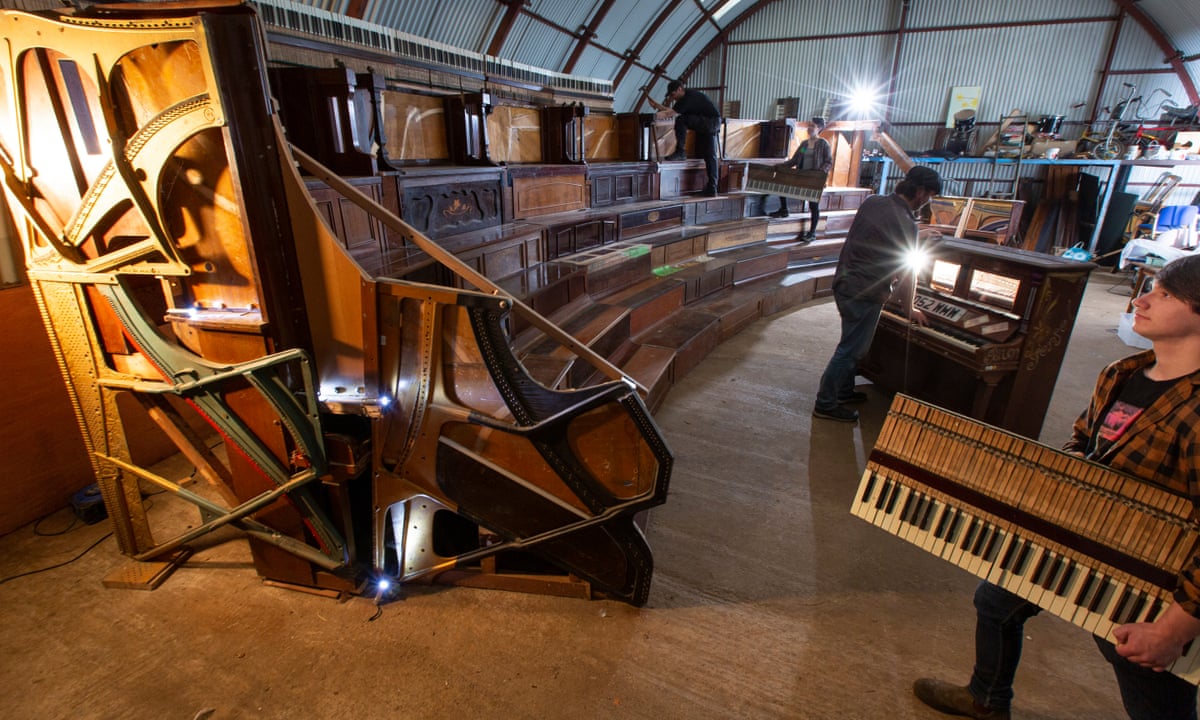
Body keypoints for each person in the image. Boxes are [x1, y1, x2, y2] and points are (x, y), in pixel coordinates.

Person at [913, 253, 1200, 720]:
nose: (1141, 300)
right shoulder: (1123, 373)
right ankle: (987, 700)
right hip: (1084, 528)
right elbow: (1084, 440)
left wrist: (1175, 627)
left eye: (1165, 294)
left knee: (1142, 674)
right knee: (997, 599)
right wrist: (1064, 468)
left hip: (1150, 570)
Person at [812, 165, 942, 423]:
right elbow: (908, 273)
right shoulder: (906, 224)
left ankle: (844, 391)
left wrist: (917, 234)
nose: (928, 201)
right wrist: (909, 308)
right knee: (851, 349)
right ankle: (825, 404)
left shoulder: (874, 202)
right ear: (919, 191)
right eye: (929, 195)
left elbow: (883, 230)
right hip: (865, 292)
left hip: (845, 284)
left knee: (850, 339)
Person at [647, 79, 722, 196]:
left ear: (679, 89)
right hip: (709, 123)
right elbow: (671, 111)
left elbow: (669, 114)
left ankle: (680, 152)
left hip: (711, 122)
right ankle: (712, 188)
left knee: (681, 120)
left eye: (673, 94)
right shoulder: (684, 99)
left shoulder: (688, 98)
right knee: (710, 155)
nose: (673, 98)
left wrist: (652, 116)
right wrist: (657, 106)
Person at [770, 117, 833, 243]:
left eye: (812, 126)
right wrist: (780, 166)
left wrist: (819, 173)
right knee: (782, 182)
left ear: (819, 128)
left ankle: (812, 233)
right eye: (809, 125)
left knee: (813, 205)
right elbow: (796, 159)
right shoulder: (805, 144)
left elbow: (828, 162)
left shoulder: (823, 144)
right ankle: (784, 209)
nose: (809, 128)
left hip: (814, 179)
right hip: (801, 176)